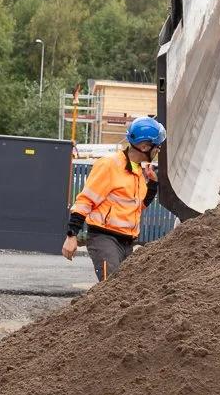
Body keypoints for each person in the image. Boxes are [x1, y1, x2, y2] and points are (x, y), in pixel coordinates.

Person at [62, 116, 166, 280]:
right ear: (145, 146)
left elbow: (137, 207)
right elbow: (85, 201)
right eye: (157, 146)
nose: (158, 150)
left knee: (122, 293)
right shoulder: (109, 165)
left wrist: (152, 185)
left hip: (127, 242)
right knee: (110, 288)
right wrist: (71, 235)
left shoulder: (138, 171)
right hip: (104, 239)